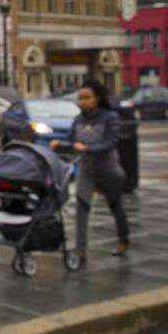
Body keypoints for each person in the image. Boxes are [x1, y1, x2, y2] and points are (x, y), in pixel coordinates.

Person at [50, 80, 130, 265]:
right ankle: (80, 251)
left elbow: (110, 142)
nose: (82, 101)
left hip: (109, 171)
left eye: (87, 98)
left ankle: (123, 240)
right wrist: (59, 145)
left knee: (115, 207)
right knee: (81, 209)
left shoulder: (110, 117)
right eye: (80, 98)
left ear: (98, 98)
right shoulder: (78, 119)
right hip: (86, 171)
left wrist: (87, 148)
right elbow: (72, 142)